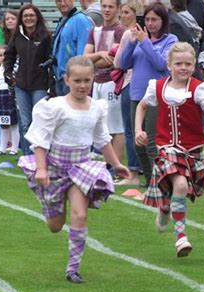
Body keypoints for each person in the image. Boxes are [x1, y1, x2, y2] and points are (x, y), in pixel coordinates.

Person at [18, 56, 131, 283]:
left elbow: (102, 139)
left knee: (80, 214)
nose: (82, 85)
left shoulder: (97, 108)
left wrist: (117, 164)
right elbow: (41, 140)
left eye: (86, 81)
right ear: (67, 79)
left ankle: (73, 268)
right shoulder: (55, 107)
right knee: (55, 226)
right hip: (55, 168)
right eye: (77, 80)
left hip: (81, 166)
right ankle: (49, 205)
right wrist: (41, 169)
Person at [135, 42, 204, 256]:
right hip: (167, 148)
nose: (183, 68)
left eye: (187, 64)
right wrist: (139, 129)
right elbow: (142, 106)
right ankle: (181, 236)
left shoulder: (198, 89)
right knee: (181, 184)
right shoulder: (157, 87)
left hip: (192, 151)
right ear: (169, 65)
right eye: (178, 64)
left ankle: (165, 207)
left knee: (181, 189)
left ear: (194, 65)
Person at [120, 2, 178, 187]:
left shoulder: (170, 40)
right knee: (138, 142)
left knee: (152, 140)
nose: (151, 23)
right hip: (136, 94)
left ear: (163, 21)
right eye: (147, 19)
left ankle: (158, 181)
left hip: (156, 96)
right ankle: (150, 178)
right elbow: (123, 63)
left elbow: (161, 64)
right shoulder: (139, 39)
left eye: (155, 19)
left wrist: (145, 42)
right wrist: (132, 42)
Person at [4, 4, 52, 156]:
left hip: (40, 84)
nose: (29, 18)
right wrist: (8, 72)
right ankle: (28, 156)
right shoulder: (17, 36)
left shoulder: (45, 36)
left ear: (37, 17)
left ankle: (42, 156)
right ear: (21, 19)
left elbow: (51, 58)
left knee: (40, 121)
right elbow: (9, 55)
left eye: (31, 15)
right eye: (25, 16)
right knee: (26, 123)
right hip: (21, 85)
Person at [84, 0, 125, 172]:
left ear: (118, 9)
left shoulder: (120, 31)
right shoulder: (95, 30)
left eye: (111, 7)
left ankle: (115, 169)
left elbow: (111, 61)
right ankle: (106, 166)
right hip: (97, 82)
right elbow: (85, 57)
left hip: (113, 82)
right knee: (100, 126)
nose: (107, 10)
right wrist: (99, 54)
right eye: (104, 6)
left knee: (116, 127)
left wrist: (95, 58)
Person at [112, 0, 141, 185]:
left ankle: (133, 172)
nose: (122, 16)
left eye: (126, 12)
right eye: (121, 12)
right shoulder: (146, 33)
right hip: (145, 84)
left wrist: (114, 52)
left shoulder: (128, 34)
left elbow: (118, 63)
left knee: (130, 130)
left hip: (130, 83)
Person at [52, 0, 94, 96]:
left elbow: (83, 55)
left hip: (74, 79)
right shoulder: (65, 20)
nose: (62, 3)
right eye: (59, 1)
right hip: (61, 78)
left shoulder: (80, 20)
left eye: (65, 0)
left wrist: (78, 78)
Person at [0, 45, 19, 155]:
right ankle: (2, 148)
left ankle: (14, 148)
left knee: (14, 124)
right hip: (1, 98)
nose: (4, 57)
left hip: (11, 97)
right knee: (3, 124)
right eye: (1, 55)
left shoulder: (15, 69)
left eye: (6, 55)